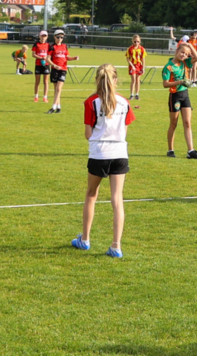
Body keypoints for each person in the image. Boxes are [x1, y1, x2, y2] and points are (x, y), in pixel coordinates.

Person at [70, 65, 132, 259]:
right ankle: (116, 246)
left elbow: (88, 134)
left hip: (99, 153)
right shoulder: (124, 102)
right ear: (115, 80)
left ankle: (85, 239)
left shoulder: (91, 102)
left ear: (97, 79)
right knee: (117, 199)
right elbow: (124, 130)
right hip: (120, 153)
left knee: (91, 194)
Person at [162, 44, 197, 160]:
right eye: (182, 52)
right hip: (175, 96)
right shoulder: (168, 67)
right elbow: (165, 84)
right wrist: (179, 82)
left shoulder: (185, 62)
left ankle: (191, 151)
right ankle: (170, 149)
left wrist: (189, 45)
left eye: (186, 54)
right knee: (173, 124)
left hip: (185, 95)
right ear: (177, 51)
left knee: (187, 122)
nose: (183, 55)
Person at [47, 32, 77, 114]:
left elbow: (67, 57)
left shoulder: (64, 46)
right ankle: (58, 107)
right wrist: (54, 65)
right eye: (58, 37)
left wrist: (74, 58)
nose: (60, 39)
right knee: (56, 89)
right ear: (54, 37)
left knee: (59, 88)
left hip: (63, 69)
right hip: (55, 69)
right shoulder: (52, 47)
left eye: (61, 37)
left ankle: (53, 107)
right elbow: (48, 59)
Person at [32, 31, 53, 103]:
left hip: (46, 65)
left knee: (46, 81)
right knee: (37, 81)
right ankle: (36, 96)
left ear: (47, 37)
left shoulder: (48, 45)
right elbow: (33, 54)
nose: (43, 37)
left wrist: (46, 58)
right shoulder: (36, 44)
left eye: (45, 36)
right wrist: (41, 58)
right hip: (38, 64)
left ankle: (45, 97)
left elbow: (50, 54)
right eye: (42, 36)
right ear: (39, 36)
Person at [125, 35, 147, 100]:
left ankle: (137, 94)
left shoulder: (142, 49)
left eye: (138, 41)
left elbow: (143, 59)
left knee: (138, 80)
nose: (136, 43)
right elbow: (127, 58)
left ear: (140, 41)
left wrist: (143, 68)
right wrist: (132, 66)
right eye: (135, 41)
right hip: (132, 65)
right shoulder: (130, 49)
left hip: (139, 65)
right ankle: (131, 94)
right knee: (133, 79)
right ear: (132, 41)